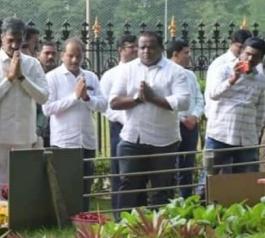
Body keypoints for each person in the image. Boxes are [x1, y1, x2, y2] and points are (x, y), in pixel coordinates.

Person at [109, 31, 190, 210]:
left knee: (162, 188)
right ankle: (123, 226)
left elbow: (184, 102)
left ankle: (158, 228)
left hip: (164, 140)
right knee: (128, 184)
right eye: (142, 47)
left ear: (160, 49)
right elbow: (114, 102)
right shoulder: (127, 70)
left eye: (151, 47)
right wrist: (137, 99)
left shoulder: (175, 71)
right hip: (132, 138)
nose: (146, 51)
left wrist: (153, 98)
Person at [0, 17, 49, 199]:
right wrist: (9, 79)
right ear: (2, 38)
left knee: (22, 187)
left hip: (24, 136)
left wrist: (22, 78)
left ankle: (21, 226)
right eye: (10, 40)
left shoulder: (32, 64)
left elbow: (43, 96)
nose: (15, 45)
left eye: (19, 41)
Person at [42, 38, 107, 210]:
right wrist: (74, 97)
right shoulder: (52, 77)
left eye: (78, 56)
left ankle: (84, 216)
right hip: (64, 141)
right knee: (66, 183)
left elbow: (102, 105)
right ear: (63, 55)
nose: (74, 60)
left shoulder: (90, 77)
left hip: (86, 139)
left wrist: (86, 98)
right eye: (70, 56)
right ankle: (65, 219)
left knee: (85, 183)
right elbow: (48, 108)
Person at [200, 37, 265, 198]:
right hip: (220, 134)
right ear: (241, 52)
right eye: (247, 54)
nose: (250, 59)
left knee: (246, 182)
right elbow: (213, 94)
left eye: (255, 56)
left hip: (247, 138)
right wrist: (232, 79)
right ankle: (197, 215)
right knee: (207, 179)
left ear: (260, 59)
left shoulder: (261, 79)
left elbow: (260, 110)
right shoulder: (224, 69)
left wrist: (255, 136)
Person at [99, 34, 140, 215]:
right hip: (119, 127)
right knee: (119, 173)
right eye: (132, 47)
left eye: (137, 47)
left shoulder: (141, 72)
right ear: (120, 50)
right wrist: (124, 119)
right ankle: (118, 214)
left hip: (140, 127)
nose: (136, 50)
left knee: (139, 172)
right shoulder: (110, 75)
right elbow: (105, 105)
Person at [167, 39, 204, 199]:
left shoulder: (190, 75)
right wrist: (183, 118)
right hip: (172, 124)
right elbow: (165, 100)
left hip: (191, 125)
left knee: (187, 164)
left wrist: (195, 116)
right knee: (169, 165)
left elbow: (199, 98)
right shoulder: (166, 74)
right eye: (186, 53)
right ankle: (169, 200)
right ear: (175, 54)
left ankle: (186, 199)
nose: (190, 56)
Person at [34, 40, 57, 148]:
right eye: (47, 53)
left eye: (53, 53)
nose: (50, 56)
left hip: (57, 131)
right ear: (38, 55)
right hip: (36, 130)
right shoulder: (34, 75)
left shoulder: (60, 76)